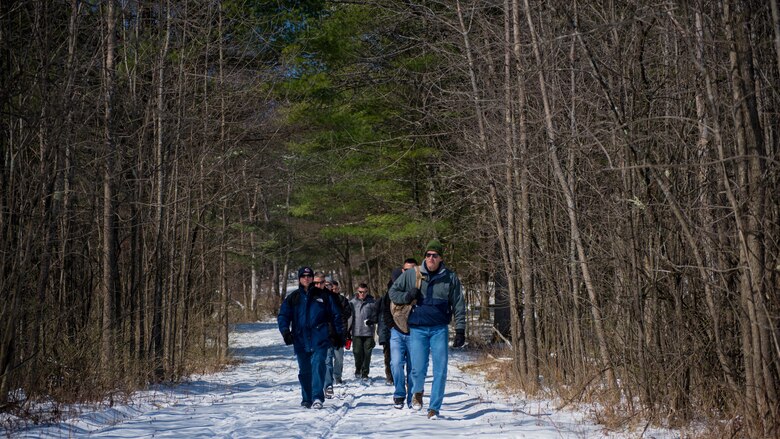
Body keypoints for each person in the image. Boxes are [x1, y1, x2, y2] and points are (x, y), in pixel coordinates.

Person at [389, 240, 465, 419]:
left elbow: (459, 304)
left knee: (440, 369)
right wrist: (407, 296)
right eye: (428, 255)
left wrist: (460, 329)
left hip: (439, 328)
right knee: (417, 368)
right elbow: (393, 292)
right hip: (418, 329)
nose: (431, 258)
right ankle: (418, 391)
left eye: (435, 255)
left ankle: (434, 408)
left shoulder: (450, 277)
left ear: (440, 258)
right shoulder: (412, 274)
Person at [278, 267, 345, 410]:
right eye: (303, 276)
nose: (306, 278)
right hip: (300, 339)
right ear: (299, 279)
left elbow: (336, 315)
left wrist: (338, 335)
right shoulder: (294, 297)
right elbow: (283, 315)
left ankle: (317, 397)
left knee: (318, 365)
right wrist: (285, 332)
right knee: (305, 371)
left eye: (309, 276)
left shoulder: (324, 296)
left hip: (319, 338)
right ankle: (307, 398)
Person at [383, 258, 418, 409]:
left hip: (415, 333)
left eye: (412, 269)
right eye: (406, 269)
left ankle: (411, 396)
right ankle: (399, 393)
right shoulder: (393, 286)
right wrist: (392, 326)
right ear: (402, 271)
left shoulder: (421, 287)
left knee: (413, 367)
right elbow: (385, 309)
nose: (409, 272)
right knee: (395, 363)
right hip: (396, 332)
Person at [323, 279, 352, 397]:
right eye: (331, 288)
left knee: (339, 358)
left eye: (335, 288)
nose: (333, 290)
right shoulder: (322, 300)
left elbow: (347, 315)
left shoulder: (343, 301)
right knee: (327, 360)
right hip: (327, 335)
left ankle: (338, 376)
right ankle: (328, 384)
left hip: (340, 334)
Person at [350, 283, 379, 381]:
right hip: (356, 332)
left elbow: (376, 315)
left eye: (365, 292)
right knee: (357, 352)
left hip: (368, 332)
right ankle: (358, 369)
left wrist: (372, 320)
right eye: (360, 292)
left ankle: (365, 372)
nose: (362, 294)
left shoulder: (372, 302)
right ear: (357, 291)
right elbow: (349, 317)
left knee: (367, 354)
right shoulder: (352, 302)